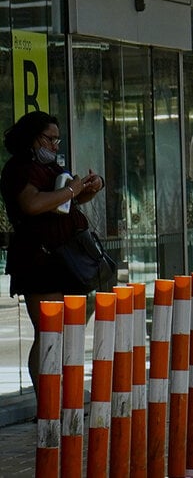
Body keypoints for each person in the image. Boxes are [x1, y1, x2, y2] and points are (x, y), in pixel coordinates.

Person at [1, 111, 106, 397]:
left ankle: (64, 390)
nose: (54, 145)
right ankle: (47, 400)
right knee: (49, 331)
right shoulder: (19, 168)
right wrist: (71, 191)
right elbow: (33, 204)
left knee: (70, 325)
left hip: (65, 257)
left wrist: (88, 187)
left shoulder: (48, 167)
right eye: (49, 139)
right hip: (39, 259)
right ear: (32, 137)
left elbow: (65, 201)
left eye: (57, 140)